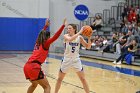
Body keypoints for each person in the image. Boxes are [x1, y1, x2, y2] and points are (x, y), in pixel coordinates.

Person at [23, 18, 66, 93]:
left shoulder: (37, 42)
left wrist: (45, 26)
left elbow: (41, 33)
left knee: (34, 84)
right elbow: (56, 36)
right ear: (47, 38)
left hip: (27, 66)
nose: (49, 38)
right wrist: (63, 25)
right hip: (34, 67)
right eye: (49, 37)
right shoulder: (45, 43)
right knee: (47, 87)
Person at [54, 24, 92, 93]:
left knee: (83, 79)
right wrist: (80, 32)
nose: (68, 30)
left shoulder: (79, 38)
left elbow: (88, 47)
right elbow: (71, 39)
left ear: (74, 29)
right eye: (68, 28)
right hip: (67, 59)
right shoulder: (66, 36)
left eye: (70, 28)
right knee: (59, 79)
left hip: (76, 59)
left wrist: (89, 38)